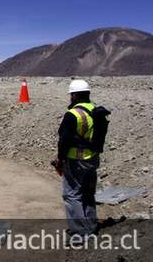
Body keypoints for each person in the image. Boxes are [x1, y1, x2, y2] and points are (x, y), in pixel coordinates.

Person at [52, 79, 100, 238]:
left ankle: (80, 232)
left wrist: (60, 160)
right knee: (88, 193)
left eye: (71, 95)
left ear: (75, 95)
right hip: (92, 160)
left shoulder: (72, 114)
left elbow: (64, 141)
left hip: (75, 161)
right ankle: (91, 227)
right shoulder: (95, 110)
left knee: (72, 195)